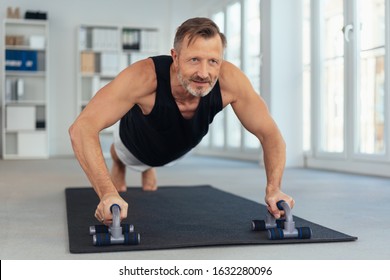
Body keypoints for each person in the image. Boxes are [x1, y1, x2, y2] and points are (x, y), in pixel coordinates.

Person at [69, 17, 294, 226]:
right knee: (124, 155)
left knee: (156, 160)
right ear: (175, 58)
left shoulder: (231, 81)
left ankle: (149, 167)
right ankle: (121, 162)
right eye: (194, 59)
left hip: (179, 146)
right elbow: (82, 128)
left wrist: (274, 188)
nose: (204, 73)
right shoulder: (143, 77)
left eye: (213, 61)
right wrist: (107, 193)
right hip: (134, 141)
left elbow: (270, 134)